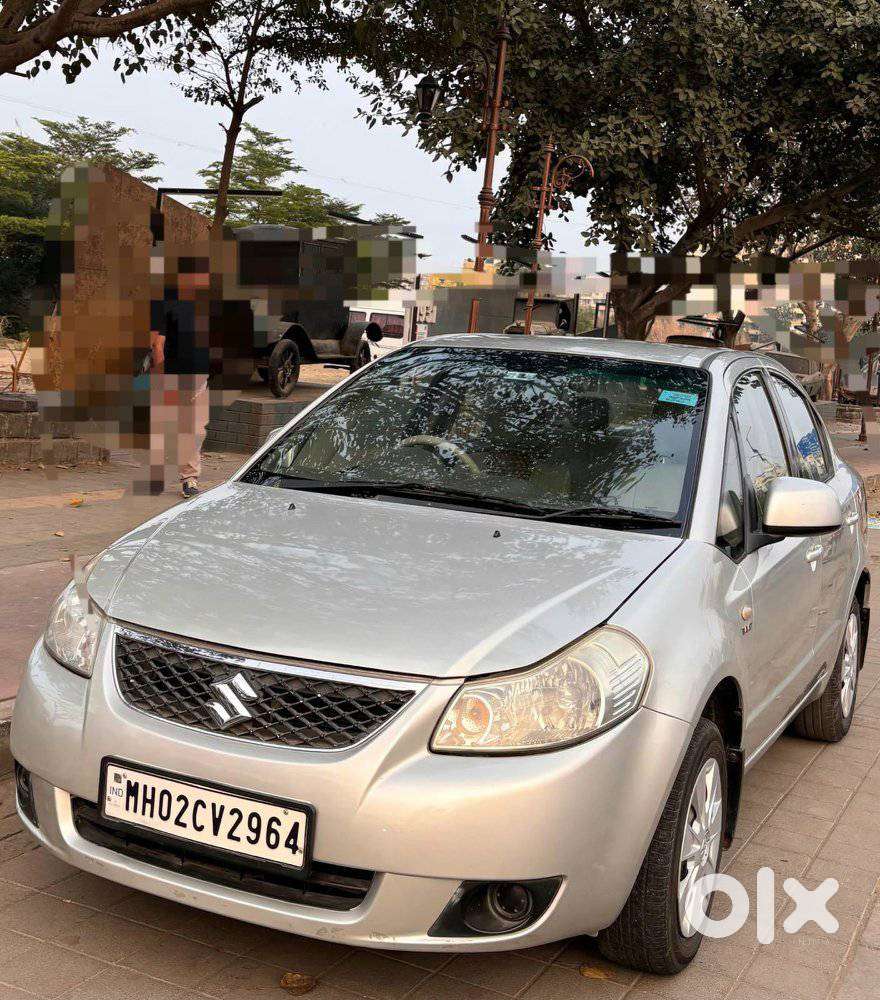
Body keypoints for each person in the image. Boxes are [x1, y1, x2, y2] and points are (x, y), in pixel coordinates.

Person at [149, 257, 211, 497]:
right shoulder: (166, 302)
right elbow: (158, 344)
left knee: (194, 428)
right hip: (173, 374)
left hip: (199, 374)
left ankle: (189, 478)